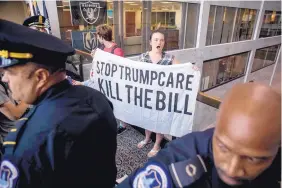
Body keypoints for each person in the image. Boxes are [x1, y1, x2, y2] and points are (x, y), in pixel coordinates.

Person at [0, 19, 117, 187]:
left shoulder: (26, 144)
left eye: (9, 72)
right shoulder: (96, 98)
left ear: (40, 77)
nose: (4, 78)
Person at [117, 83, 281, 187]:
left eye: (253, 158)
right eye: (224, 148)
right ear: (217, 129)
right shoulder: (183, 159)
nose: (232, 169)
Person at [73, 24, 126, 134]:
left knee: (117, 104)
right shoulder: (101, 48)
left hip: (113, 83)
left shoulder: (116, 50)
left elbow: (120, 69)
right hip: (103, 82)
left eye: (97, 36)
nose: (97, 38)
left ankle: (122, 124)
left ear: (101, 36)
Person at [137, 30, 180, 158]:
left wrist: (192, 68)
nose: (159, 42)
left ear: (164, 43)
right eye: (156, 39)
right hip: (147, 97)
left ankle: (157, 144)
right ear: (150, 42)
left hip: (162, 99)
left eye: (161, 40)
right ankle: (147, 138)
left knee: (160, 121)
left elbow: (183, 69)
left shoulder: (169, 58)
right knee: (147, 120)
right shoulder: (142, 57)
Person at [23, 15, 83, 82]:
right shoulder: (23, 53)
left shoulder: (56, 49)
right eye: (37, 29)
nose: (42, 31)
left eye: (43, 29)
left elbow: (71, 72)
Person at [0, 75, 28, 144]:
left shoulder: (5, 77)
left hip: (25, 129)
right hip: (13, 138)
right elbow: (15, 115)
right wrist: (31, 94)